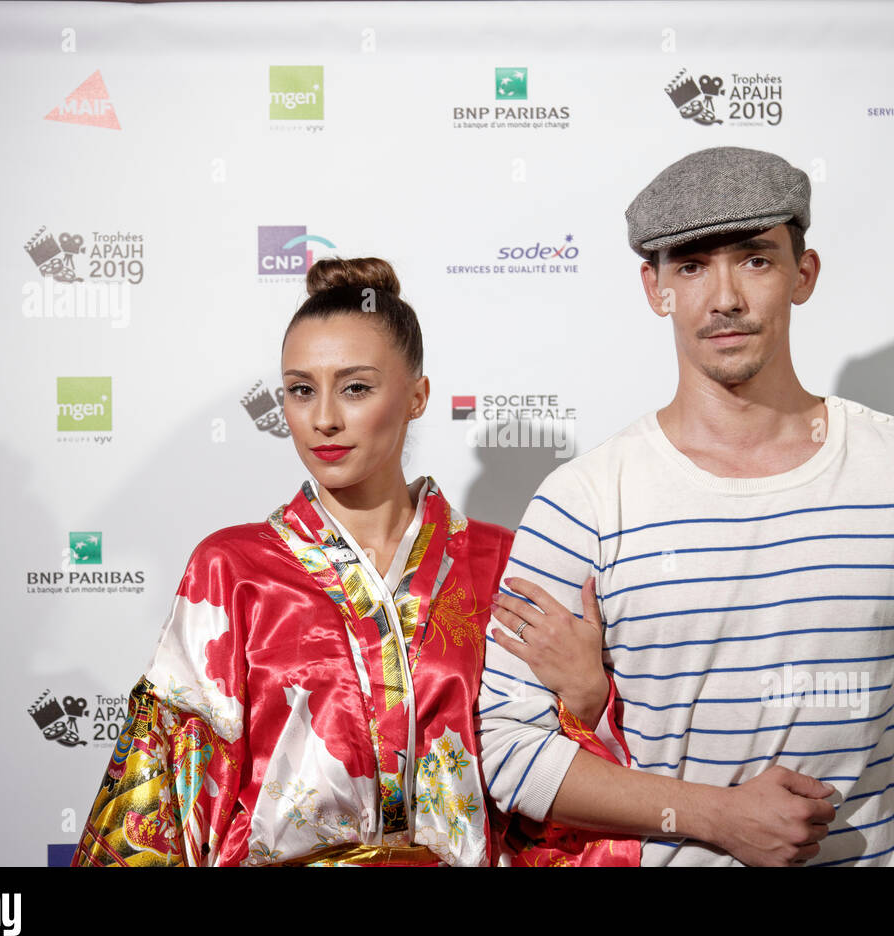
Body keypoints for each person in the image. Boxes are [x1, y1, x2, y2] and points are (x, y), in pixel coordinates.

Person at [480, 146, 894, 866]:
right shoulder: (585, 502)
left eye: (755, 260)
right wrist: (716, 817)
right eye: (693, 265)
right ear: (655, 288)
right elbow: (508, 749)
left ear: (805, 274)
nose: (725, 296)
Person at [70, 256, 632, 866]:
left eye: (356, 387)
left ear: (417, 396)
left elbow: (546, 783)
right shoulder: (231, 571)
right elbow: (159, 798)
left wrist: (586, 701)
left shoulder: (501, 564)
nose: (324, 419)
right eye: (301, 390)